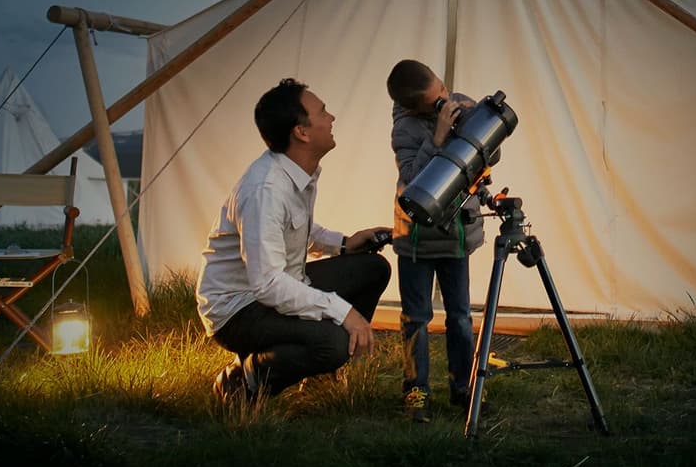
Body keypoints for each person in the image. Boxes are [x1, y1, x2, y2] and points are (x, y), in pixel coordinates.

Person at [196, 77, 392, 407]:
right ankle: (244, 377)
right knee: (333, 341)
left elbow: (298, 230)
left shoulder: (298, 171)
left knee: (372, 267)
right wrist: (345, 313)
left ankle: (314, 367)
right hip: (239, 310)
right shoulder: (265, 190)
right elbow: (268, 285)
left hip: (280, 285)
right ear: (301, 132)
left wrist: (344, 243)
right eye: (323, 112)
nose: (332, 119)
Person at [386, 58, 488, 423]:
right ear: (415, 107)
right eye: (435, 101)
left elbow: (490, 155)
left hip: (455, 235)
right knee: (416, 317)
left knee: (460, 317)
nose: (445, 100)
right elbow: (412, 178)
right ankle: (416, 390)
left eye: (443, 88)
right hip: (416, 238)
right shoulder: (405, 130)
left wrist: (481, 122)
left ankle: (464, 387)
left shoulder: (460, 101)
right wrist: (439, 138)